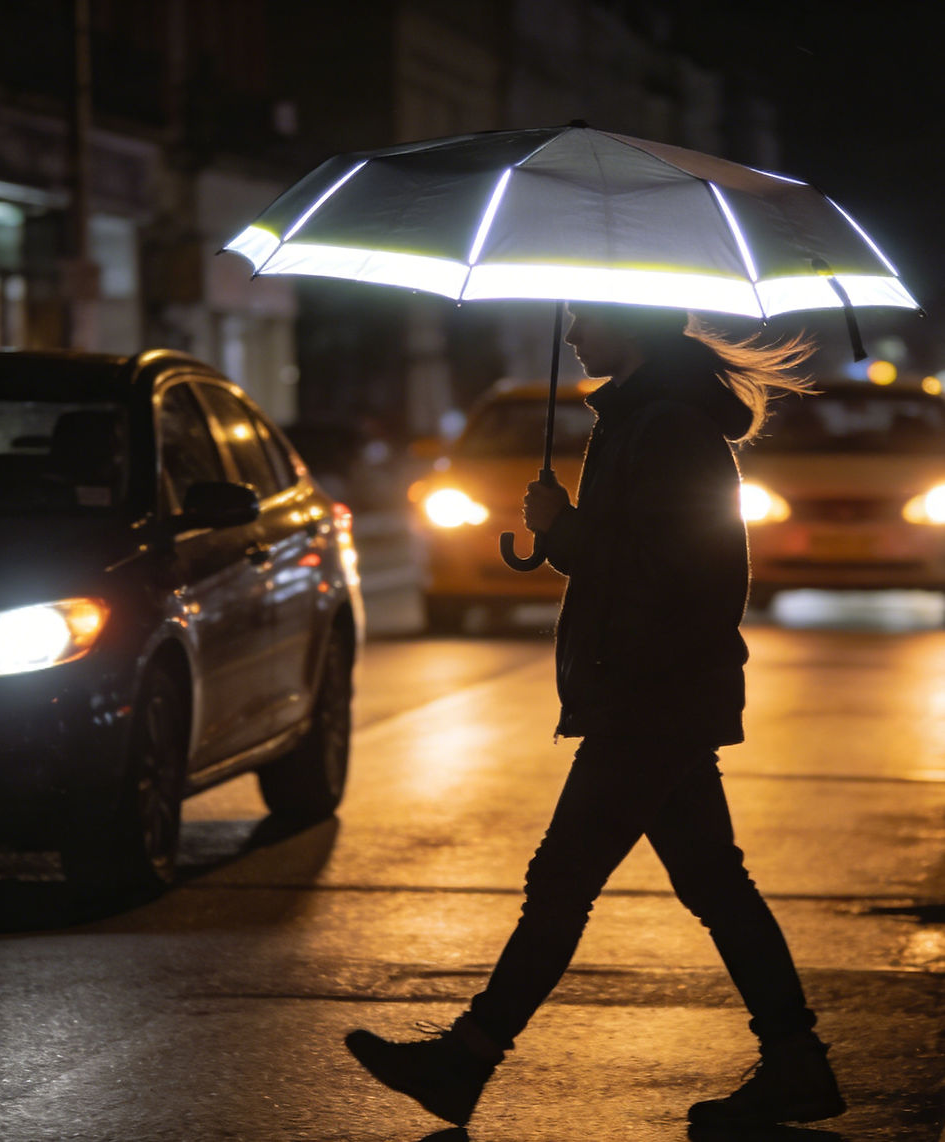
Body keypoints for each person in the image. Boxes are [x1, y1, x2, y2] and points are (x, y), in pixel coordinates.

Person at [345, 303, 846, 1131]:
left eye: (586, 321)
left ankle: (465, 1059)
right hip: (659, 691)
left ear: (632, 329)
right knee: (714, 884)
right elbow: (643, 556)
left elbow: (669, 570)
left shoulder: (667, 430)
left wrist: (564, 532)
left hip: (652, 694)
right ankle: (797, 1064)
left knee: (564, 880)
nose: (573, 337)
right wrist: (570, 531)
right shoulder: (645, 421)